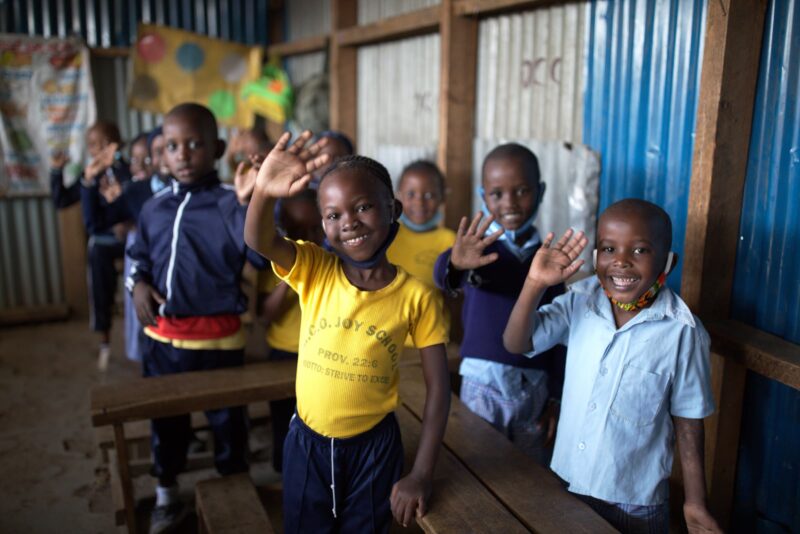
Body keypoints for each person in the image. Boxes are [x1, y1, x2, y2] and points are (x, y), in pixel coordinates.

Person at [244, 132, 450, 533]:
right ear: (323, 225)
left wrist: (421, 473)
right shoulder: (313, 269)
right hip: (307, 444)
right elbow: (259, 239)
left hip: (375, 448)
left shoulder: (417, 296)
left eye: (363, 207)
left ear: (393, 209)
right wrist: (263, 192)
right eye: (334, 215)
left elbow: (439, 391)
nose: (349, 222)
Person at [503, 199, 720, 534]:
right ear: (594, 257)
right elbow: (517, 343)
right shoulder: (580, 300)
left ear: (668, 261)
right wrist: (535, 284)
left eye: (640, 251)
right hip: (567, 482)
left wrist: (695, 501)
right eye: (608, 248)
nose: (620, 261)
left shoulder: (683, 332)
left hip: (634, 501)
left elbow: (689, 421)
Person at [126, 103, 267, 534]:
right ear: (161, 154)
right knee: (166, 420)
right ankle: (167, 493)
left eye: (194, 144)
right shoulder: (153, 208)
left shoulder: (229, 203)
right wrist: (138, 286)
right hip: (164, 338)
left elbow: (260, 257)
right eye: (173, 146)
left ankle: (233, 488)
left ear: (217, 149)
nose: (183, 154)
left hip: (218, 340)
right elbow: (138, 257)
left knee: (229, 422)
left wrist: (252, 204)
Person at [433, 143, 566, 464]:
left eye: (522, 191)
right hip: (482, 380)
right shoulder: (476, 250)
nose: (509, 203)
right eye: (497, 194)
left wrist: (557, 396)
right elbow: (443, 276)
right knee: (477, 469)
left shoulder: (548, 260)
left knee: (528, 476)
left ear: (541, 190)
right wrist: (456, 261)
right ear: (483, 194)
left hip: (534, 386)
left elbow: (562, 332)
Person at [255, 188, 324, 474]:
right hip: (283, 351)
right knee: (284, 422)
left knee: (317, 424)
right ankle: (284, 475)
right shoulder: (274, 263)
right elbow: (267, 314)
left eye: (313, 229)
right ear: (282, 228)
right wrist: (292, 273)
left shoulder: (332, 262)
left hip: (322, 357)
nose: (305, 236)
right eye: (296, 229)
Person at [387, 160, 455, 287]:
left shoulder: (450, 241)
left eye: (429, 195)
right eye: (411, 194)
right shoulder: (387, 234)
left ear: (443, 197)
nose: (419, 203)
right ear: (398, 196)